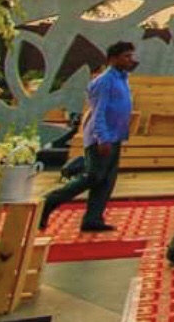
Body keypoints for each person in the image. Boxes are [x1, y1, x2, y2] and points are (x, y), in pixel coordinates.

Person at [39, 41, 138, 231]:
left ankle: (93, 218)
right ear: (113, 59)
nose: (131, 60)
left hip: (115, 135)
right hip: (102, 137)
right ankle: (48, 202)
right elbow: (98, 111)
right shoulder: (104, 81)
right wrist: (102, 137)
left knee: (106, 181)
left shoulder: (122, 78)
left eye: (131, 56)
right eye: (126, 56)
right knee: (93, 177)